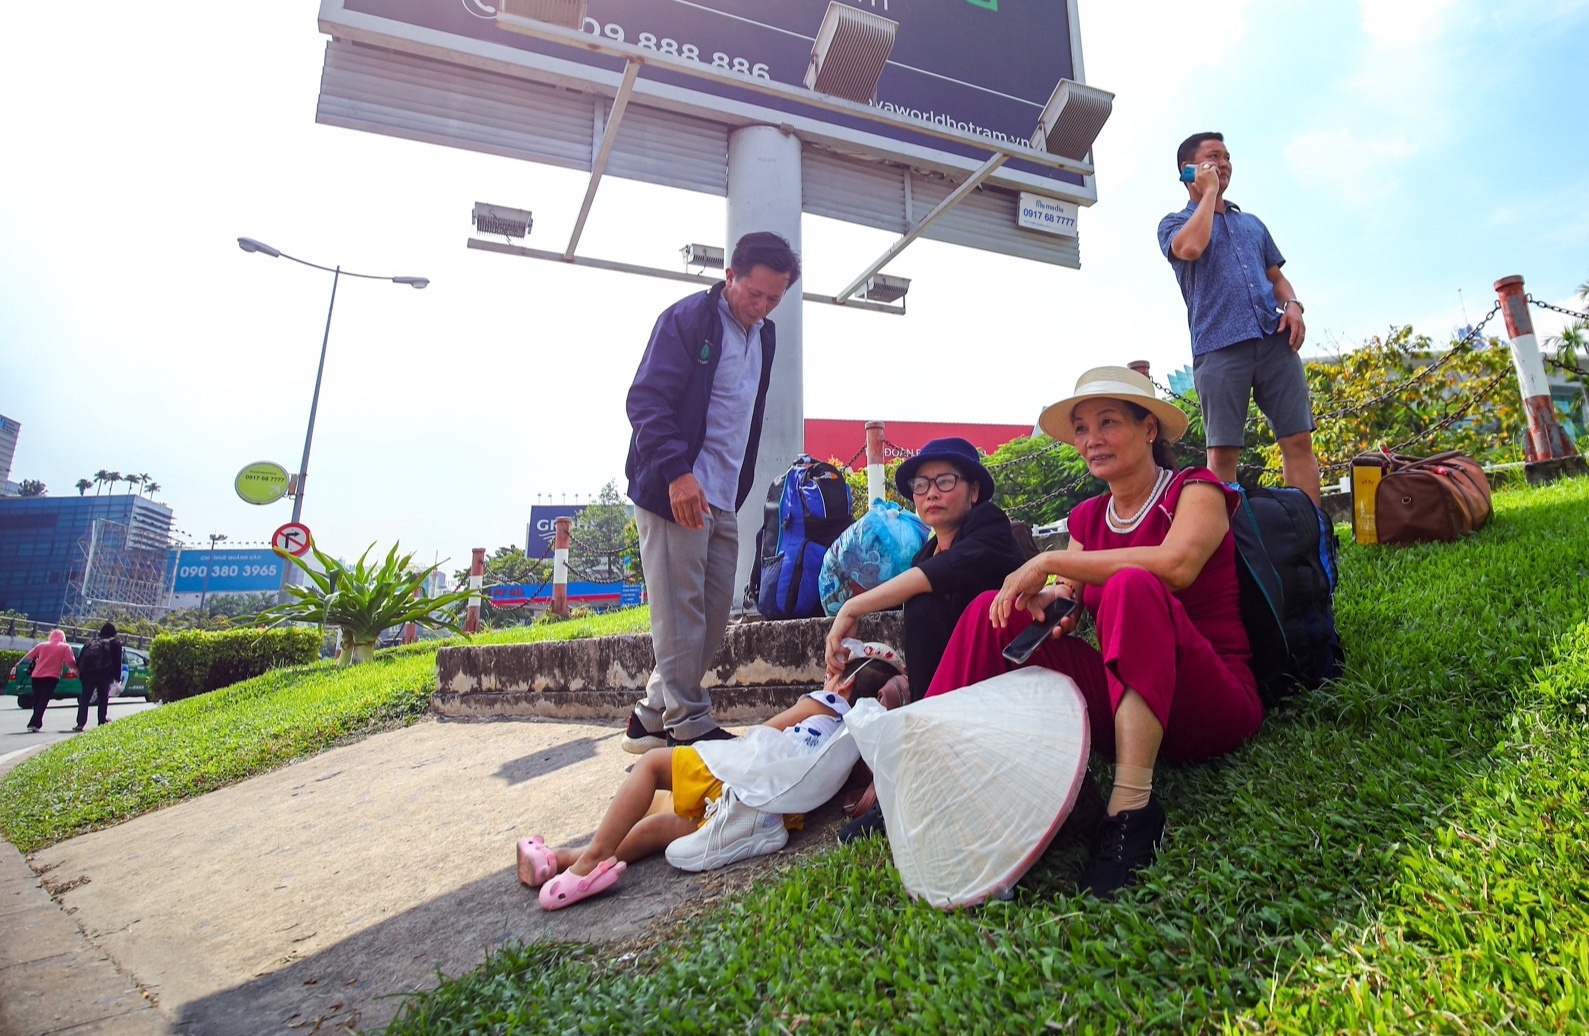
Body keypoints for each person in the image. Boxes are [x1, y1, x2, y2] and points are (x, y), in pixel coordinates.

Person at [927, 366, 1264, 898]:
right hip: (1128, 702)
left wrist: (1058, 561)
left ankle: (1131, 810)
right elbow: (1071, 597)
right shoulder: (1088, 517)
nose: (1092, 439)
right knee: (989, 610)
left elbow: (1174, 566)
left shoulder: (1197, 490)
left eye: (1108, 422)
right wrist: (1048, 603)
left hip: (1209, 704)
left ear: (1149, 428)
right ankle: (926, 772)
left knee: (1134, 586)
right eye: (1082, 428)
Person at [519, 646, 904, 910]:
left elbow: (768, 730)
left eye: (833, 674)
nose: (827, 679)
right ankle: (558, 861)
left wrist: (727, 750)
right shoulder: (854, 740)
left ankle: (592, 858)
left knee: (651, 767)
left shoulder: (826, 702)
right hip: (774, 808)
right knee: (657, 827)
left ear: (845, 685)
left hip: (746, 776)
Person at [621, 231, 802, 753]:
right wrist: (678, 474)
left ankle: (650, 716)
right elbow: (645, 400)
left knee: (715, 613)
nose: (763, 306)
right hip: (676, 487)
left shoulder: (763, 335)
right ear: (730, 277)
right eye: (755, 294)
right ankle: (689, 724)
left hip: (723, 492)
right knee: (681, 612)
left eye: (775, 298)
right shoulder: (687, 320)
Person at [821, 436, 1023, 840]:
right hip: (951, 700)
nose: (931, 492)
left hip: (1002, 682)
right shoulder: (923, 555)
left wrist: (851, 607)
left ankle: (919, 779)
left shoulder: (990, 526)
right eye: (921, 484)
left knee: (924, 602)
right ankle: (915, 777)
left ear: (974, 490)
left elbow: (946, 572)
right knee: (919, 612)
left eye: (945, 481)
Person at [1158, 131, 1322, 504]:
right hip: (1218, 347)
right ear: (1188, 171)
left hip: (1272, 337)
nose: (1224, 163)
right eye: (1213, 157)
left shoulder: (1252, 224)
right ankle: (1225, 546)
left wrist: (1293, 305)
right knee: (1224, 452)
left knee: (1297, 438)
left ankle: (1312, 534)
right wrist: (1209, 193)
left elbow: (1275, 278)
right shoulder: (1172, 224)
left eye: (1227, 157)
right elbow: (1192, 247)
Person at [13, 630, 78, 733]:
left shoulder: (42, 645)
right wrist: (76, 668)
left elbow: (29, 656)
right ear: (63, 637)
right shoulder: (65, 647)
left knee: (37, 700)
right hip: (52, 676)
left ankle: (36, 722)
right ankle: (34, 723)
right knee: (44, 700)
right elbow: (70, 662)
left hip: (37, 675)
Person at [74, 622, 123, 731]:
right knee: (103, 698)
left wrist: (80, 671)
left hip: (87, 674)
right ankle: (101, 720)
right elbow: (117, 661)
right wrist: (117, 677)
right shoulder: (115, 643)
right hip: (104, 674)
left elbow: (81, 657)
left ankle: (80, 723)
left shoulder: (91, 641)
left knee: (85, 698)